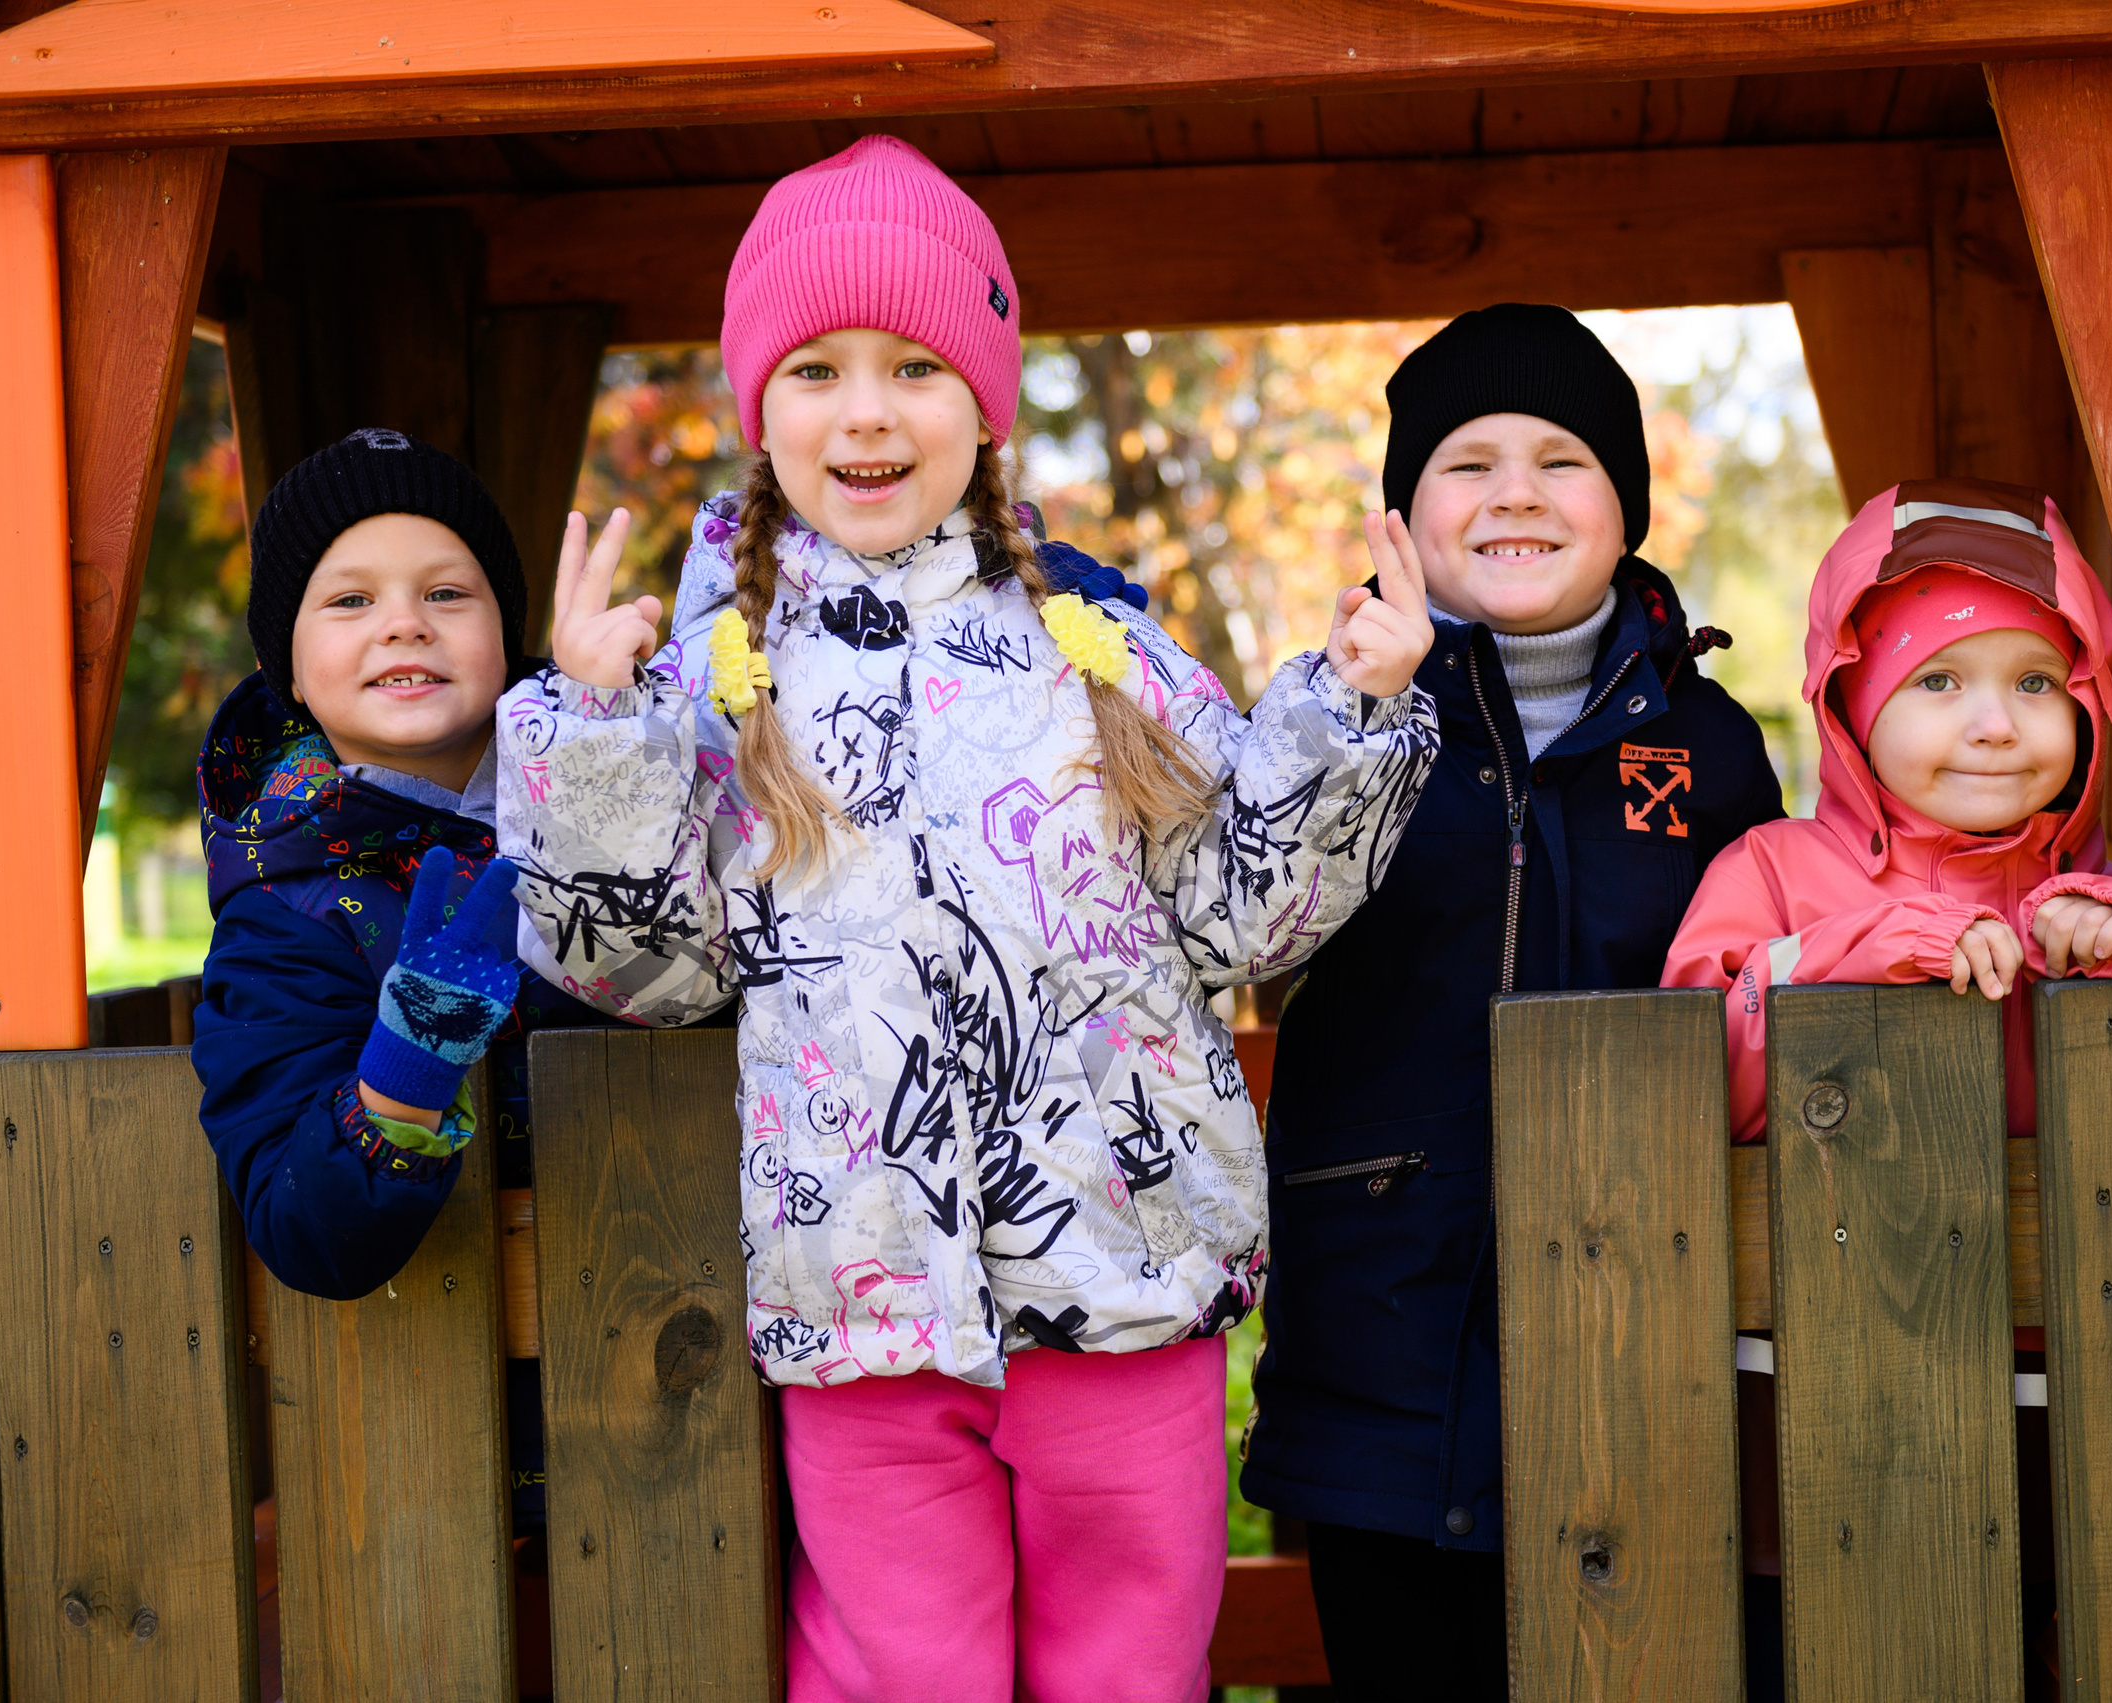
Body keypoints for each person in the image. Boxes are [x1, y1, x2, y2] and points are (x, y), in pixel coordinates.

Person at [493, 135, 1442, 1703]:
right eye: (816, 367)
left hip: (1122, 1277)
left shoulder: (1104, 647)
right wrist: (595, 737)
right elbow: (650, 969)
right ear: (760, 409)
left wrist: (1351, 715)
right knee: (902, 1669)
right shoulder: (716, 680)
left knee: (1130, 1661)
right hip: (865, 1295)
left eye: (917, 365)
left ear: (985, 401)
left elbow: (1238, 913)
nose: (867, 409)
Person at [1239, 303, 1788, 1701]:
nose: (1516, 494)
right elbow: (1242, 917)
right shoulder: (1340, 716)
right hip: (1388, 1322)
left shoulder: (1709, 750)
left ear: (1629, 509)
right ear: (1404, 516)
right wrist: (1356, 709)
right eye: (1468, 463)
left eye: (1562, 459)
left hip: (1642, 1311)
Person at [1663, 477, 2112, 1693]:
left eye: (2037, 682)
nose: (1995, 722)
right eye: (1938, 681)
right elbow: (1681, 1067)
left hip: (2072, 1385)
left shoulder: (2091, 886)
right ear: (1849, 703)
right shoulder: (1778, 870)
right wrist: (1844, 962)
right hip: (1820, 1397)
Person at [190, 428, 648, 1544]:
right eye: (348, 600)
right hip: (446, 1463)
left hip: (670, 1373)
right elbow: (304, 1224)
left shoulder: (601, 795)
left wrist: (612, 751)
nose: (405, 620)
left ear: (508, 635)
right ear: (289, 670)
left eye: (447, 590)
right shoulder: (282, 908)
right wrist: (413, 1054)